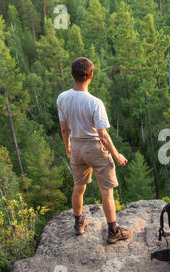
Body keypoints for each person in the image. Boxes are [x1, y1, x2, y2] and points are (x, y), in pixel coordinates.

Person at [57, 57, 132, 244]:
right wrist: (116, 154)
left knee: (79, 187)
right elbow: (103, 135)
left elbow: (64, 128)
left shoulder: (62, 98)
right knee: (106, 191)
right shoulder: (95, 103)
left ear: (71, 75)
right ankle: (113, 231)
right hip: (95, 148)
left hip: (76, 146)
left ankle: (79, 223)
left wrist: (67, 146)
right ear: (91, 75)